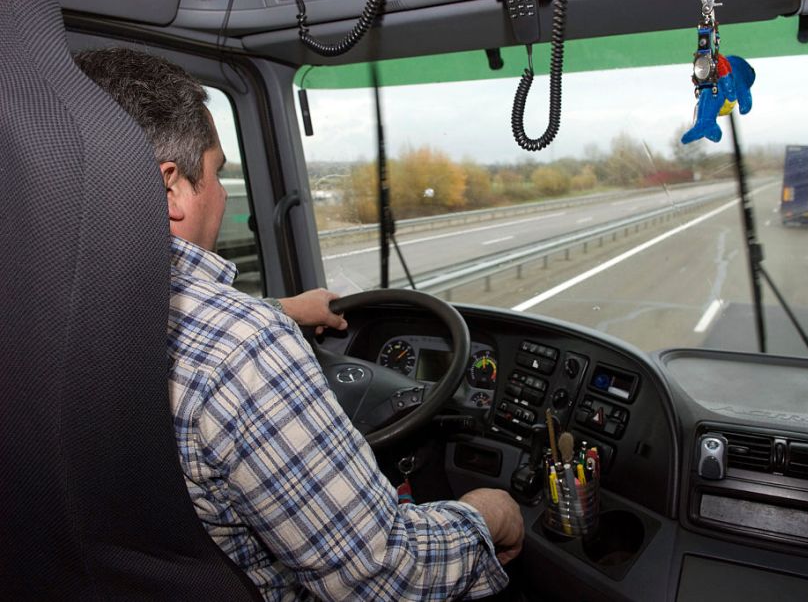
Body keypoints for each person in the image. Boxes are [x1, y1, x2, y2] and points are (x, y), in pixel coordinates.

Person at [73, 47, 523, 601]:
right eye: (216, 173)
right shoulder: (245, 351)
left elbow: (184, 333)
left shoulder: (44, 310)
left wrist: (284, 308)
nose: (220, 194)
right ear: (170, 189)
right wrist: (486, 513)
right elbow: (386, 578)